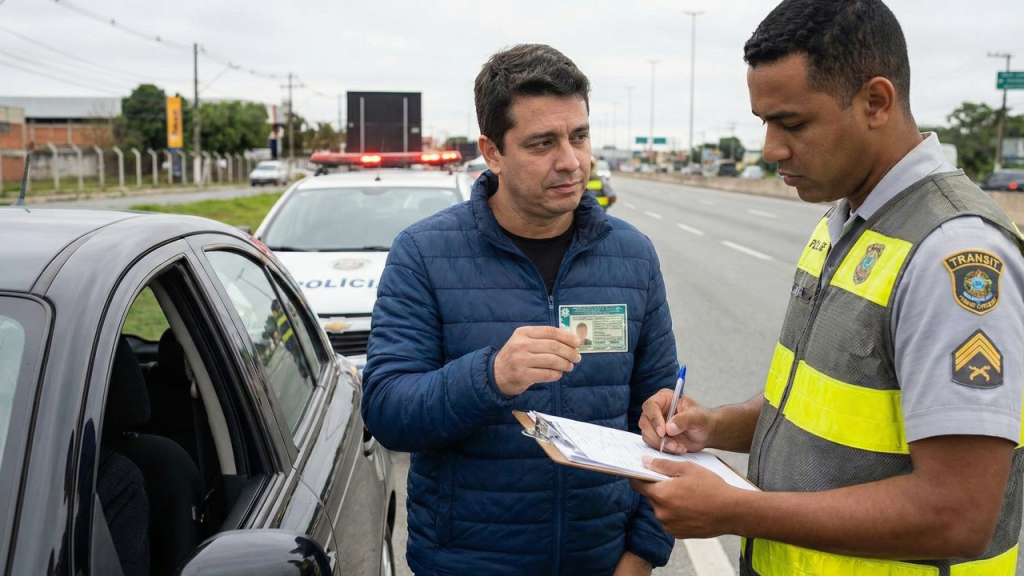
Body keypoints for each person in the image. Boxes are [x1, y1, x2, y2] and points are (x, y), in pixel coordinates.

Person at [633, 1, 1024, 574]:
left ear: (875, 102)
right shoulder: (846, 218)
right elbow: (824, 407)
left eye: (792, 123)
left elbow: (958, 514)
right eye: (763, 122)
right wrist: (713, 425)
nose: (770, 149)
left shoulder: (953, 253)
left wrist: (739, 511)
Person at [361, 44, 678, 576]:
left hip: (600, 561)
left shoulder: (633, 254)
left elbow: (663, 423)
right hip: (466, 562)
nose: (570, 161)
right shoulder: (423, 253)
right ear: (492, 151)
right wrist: (492, 376)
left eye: (579, 136)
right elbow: (389, 411)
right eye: (542, 143)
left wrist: (643, 553)